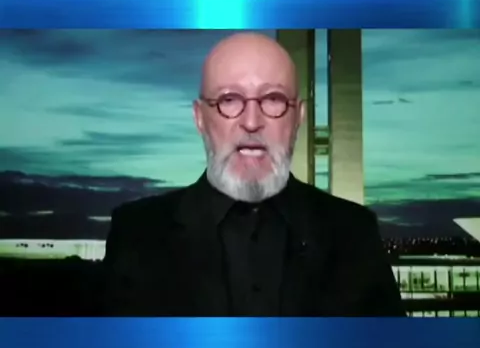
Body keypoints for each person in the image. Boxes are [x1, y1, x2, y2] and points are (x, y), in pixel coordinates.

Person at [103, 33, 406, 316]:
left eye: (273, 99)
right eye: (229, 100)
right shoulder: (138, 233)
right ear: (199, 118)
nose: (251, 122)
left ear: (298, 117)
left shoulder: (354, 232)